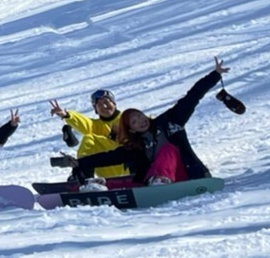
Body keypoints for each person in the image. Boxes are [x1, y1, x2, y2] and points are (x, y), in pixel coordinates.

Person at [72, 58, 229, 186]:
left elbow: (192, 97)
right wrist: (80, 163)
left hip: (187, 175)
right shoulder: (137, 145)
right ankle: (101, 186)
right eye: (134, 121)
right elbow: (110, 157)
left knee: (168, 149)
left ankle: (160, 180)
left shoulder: (170, 121)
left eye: (140, 116)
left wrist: (215, 75)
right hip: (153, 180)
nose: (140, 121)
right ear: (131, 130)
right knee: (132, 178)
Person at [49, 89, 128, 180]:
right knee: (88, 140)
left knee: (91, 139)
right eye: (99, 105)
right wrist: (66, 115)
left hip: (130, 164)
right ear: (96, 110)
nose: (104, 106)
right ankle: (83, 177)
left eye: (107, 102)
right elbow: (85, 123)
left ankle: (82, 174)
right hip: (109, 171)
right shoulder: (96, 126)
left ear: (114, 103)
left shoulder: (127, 118)